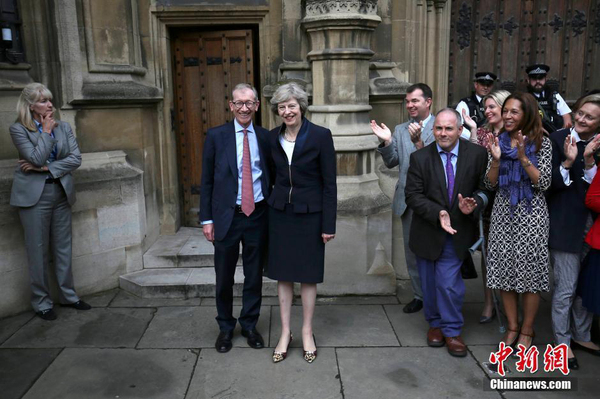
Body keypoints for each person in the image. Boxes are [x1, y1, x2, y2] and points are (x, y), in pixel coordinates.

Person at [405, 108, 490, 358]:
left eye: (449, 128)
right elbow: (413, 195)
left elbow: (486, 188)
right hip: (427, 232)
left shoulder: (477, 155)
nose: (443, 133)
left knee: (449, 285)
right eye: (439, 128)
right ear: (433, 130)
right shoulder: (420, 157)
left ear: (460, 130)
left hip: (458, 232)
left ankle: (452, 330)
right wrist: (438, 213)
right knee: (430, 285)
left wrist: (475, 202)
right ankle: (435, 324)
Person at [266, 82, 336, 363]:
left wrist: (328, 224)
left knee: (307, 275)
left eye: (291, 105)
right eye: (282, 107)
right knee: (283, 274)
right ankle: (285, 332)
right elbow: (270, 176)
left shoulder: (320, 136)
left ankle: (307, 331)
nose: (287, 111)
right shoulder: (272, 138)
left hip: (311, 214)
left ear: (301, 107)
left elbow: (329, 183)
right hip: (280, 213)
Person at [10, 82, 91, 320]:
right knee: (38, 251)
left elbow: (75, 159)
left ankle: (68, 295)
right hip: (34, 198)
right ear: (31, 106)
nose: (50, 104)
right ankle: (42, 301)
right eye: (44, 101)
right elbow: (34, 156)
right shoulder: (18, 130)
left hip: (61, 191)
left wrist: (45, 168)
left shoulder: (64, 127)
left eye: (50, 99)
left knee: (63, 248)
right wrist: (45, 132)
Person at [199, 83, 270, 353]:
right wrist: (207, 219)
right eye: (239, 103)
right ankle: (226, 328)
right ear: (231, 106)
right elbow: (206, 181)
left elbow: (271, 177)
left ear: (256, 106)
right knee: (224, 277)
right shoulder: (217, 136)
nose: (244, 107)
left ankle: (250, 325)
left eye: (249, 103)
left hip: (257, 215)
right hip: (227, 218)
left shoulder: (265, 137)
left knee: (254, 276)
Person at [485, 92, 552, 353]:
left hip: (531, 213)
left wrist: (523, 157)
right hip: (503, 212)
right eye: (506, 111)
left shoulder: (541, 142)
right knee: (503, 271)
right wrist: (496, 159)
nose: (508, 116)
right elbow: (489, 183)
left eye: (515, 112)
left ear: (527, 114)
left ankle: (527, 329)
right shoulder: (498, 140)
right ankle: (513, 326)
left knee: (530, 273)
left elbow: (544, 183)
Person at [371, 83, 436, 314]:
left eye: (414, 101)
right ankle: (419, 295)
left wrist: (420, 141)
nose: (409, 105)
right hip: (407, 201)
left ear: (428, 102)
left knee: (435, 252)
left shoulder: (443, 126)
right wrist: (387, 142)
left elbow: (439, 162)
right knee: (412, 252)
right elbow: (392, 162)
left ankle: (437, 296)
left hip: (435, 202)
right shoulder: (400, 129)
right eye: (407, 101)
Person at [547, 93, 600, 370]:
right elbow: (550, 184)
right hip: (565, 224)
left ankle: (582, 336)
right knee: (566, 289)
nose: (581, 119)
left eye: (589, 117)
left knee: (584, 287)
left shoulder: (598, 145)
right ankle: (562, 345)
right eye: (580, 112)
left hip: (592, 227)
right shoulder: (557, 140)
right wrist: (570, 161)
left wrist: (590, 159)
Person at [461, 89, 510, 324]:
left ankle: (511, 305)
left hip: (511, 204)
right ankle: (489, 303)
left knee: (508, 257)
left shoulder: (515, 135)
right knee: (488, 257)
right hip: (487, 204)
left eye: (492, 107)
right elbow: (472, 160)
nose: (487, 111)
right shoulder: (482, 134)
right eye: (486, 107)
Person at [526, 63, 572, 132]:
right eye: (534, 79)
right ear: (528, 80)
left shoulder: (554, 96)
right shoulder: (525, 98)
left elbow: (566, 116)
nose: (538, 81)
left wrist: (562, 135)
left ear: (545, 79)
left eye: (541, 78)